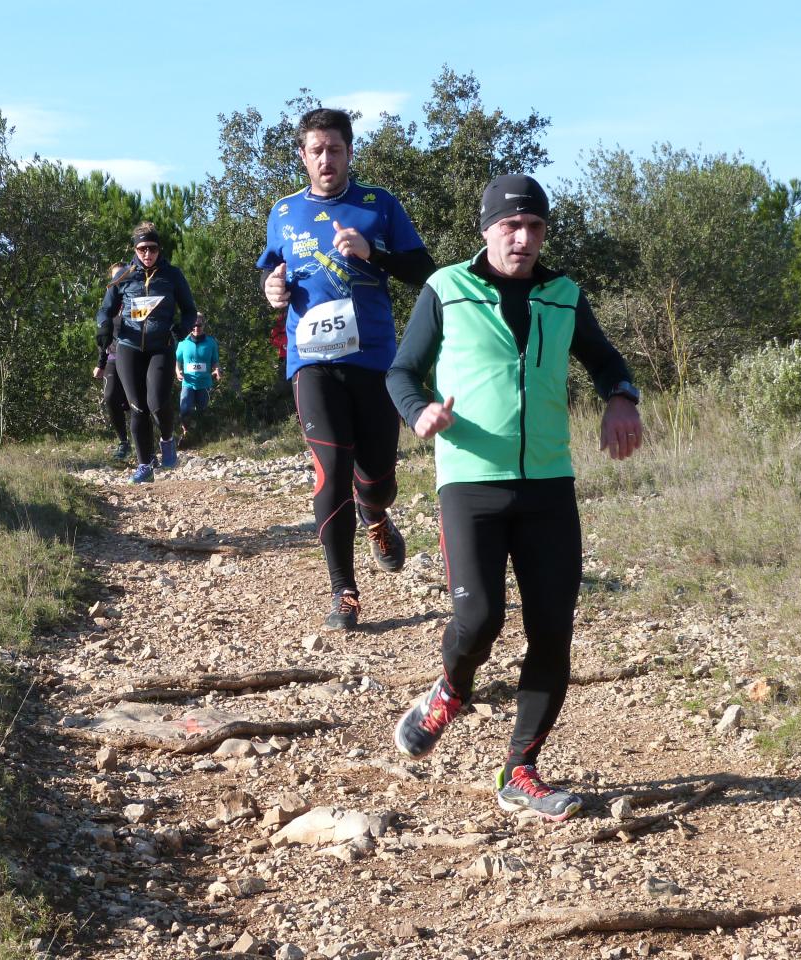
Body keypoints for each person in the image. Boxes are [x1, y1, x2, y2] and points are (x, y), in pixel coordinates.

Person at [386, 174, 644, 822]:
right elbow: (400, 371)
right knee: (480, 621)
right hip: (470, 481)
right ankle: (449, 689)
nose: (522, 238)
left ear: (544, 232)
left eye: (533, 227)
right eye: (510, 226)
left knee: (553, 630)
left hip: (549, 484)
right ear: (486, 230)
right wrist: (418, 413)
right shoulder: (446, 289)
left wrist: (621, 399)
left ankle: (520, 769)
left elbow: (607, 360)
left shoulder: (563, 297)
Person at [257, 107, 436, 631]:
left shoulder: (378, 204)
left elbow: (423, 272)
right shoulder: (284, 212)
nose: (326, 159)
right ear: (303, 156)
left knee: (377, 478)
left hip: (375, 358)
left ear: (349, 152)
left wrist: (373, 251)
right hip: (310, 361)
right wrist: (270, 289)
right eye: (316, 150)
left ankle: (375, 513)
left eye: (335, 149)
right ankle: (344, 591)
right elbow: (271, 269)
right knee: (331, 469)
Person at [97, 223, 197, 483]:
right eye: (142, 249)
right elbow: (105, 310)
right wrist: (104, 326)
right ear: (135, 250)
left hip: (160, 347)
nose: (147, 254)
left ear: (158, 249)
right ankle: (144, 466)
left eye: (152, 248)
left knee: (156, 401)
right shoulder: (123, 276)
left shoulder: (172, 275)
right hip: (128, 346)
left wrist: (179, 331)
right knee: (137, 407)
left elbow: (189, 311)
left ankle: (167, 438)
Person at [93, 263, 131, 460]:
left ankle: (149, 442)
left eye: (123, 276)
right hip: (113, 357)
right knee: (110, 396)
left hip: (135, 356)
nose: (119, 280)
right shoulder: (107, 308)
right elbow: (103, 337)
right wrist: (100, 363)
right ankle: (123, 442)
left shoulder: (135, 299)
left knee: (137, 401)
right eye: (115, 277)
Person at [174, 312, 221, 442]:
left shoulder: (211, 342)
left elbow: (215, 361)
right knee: (185, 409)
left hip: (204, 383)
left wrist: (217, 370)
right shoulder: (183, 342)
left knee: (202, 411)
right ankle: (186, 434)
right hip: (188, 382)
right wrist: (178, 372)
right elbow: (177, 361)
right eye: (193, 325)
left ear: (203, 325)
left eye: (199, 325)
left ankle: (202, 436)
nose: (196, 328)